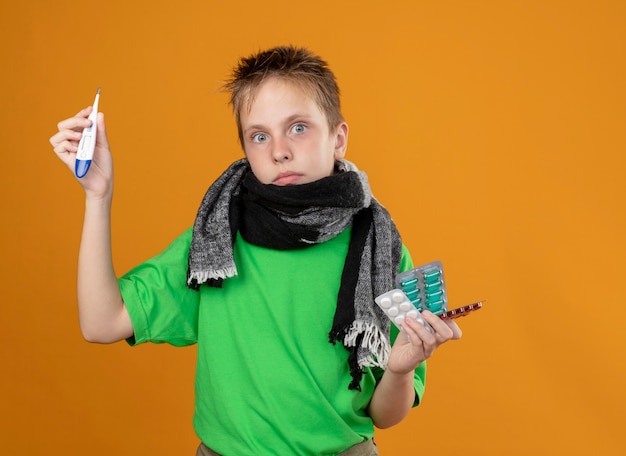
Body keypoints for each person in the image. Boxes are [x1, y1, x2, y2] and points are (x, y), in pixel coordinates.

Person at [50, 45, 462, 455]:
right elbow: (101, 323)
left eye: (298, 127)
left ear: (338, 138)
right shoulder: (214, 245)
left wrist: (401, 368)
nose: (279, 150)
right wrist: (97, 198)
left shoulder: (379, 248)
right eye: (259, 135)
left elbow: (385, 415)